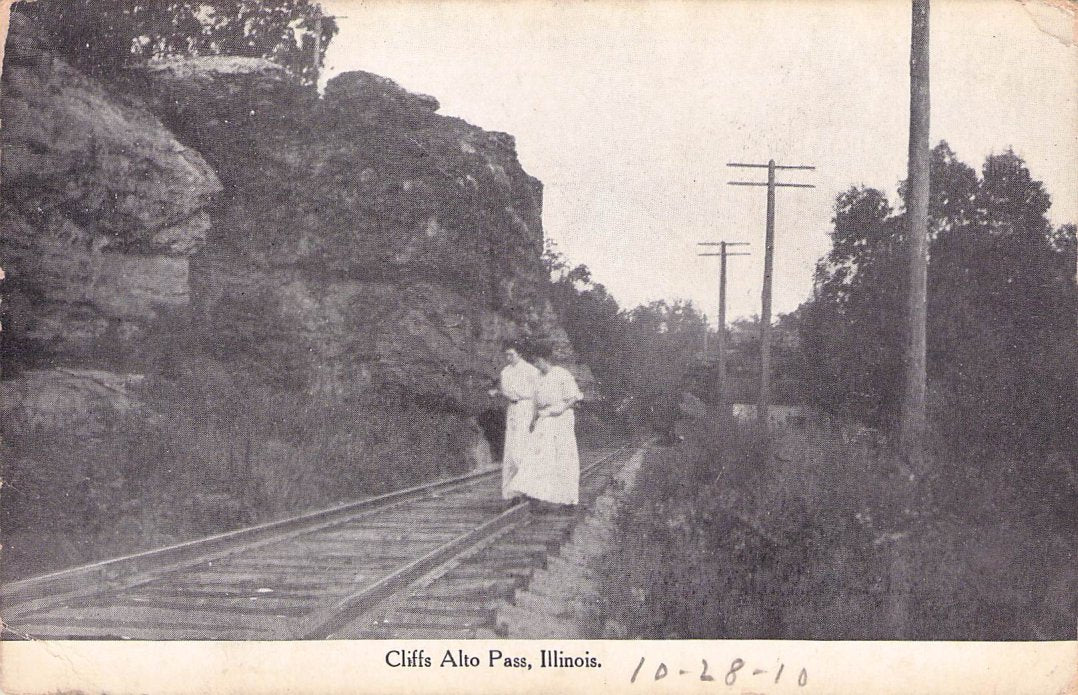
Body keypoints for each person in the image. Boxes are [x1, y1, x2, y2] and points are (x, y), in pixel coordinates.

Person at [519, 342, 583, 509]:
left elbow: (573, 397)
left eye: (537, 361)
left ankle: (567, 498)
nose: (536, 364)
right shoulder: (538, 378)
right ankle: (536, 494)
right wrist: (532, 420)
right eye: (534, 361)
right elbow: (535, 402)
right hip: (544, 417)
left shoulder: (561, 374)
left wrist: (561, 409)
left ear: (544, 359)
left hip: (561, 418)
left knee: (563, 456)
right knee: (539, 454)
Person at [488, 340, 539, 502]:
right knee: (510, 450)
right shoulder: (505, 371)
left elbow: (536, 394)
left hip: (526, 408)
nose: (508, 358)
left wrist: (535, 416)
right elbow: (507, 392)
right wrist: (498, 393)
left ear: (520, 354)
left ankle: (528, 488)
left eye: (512, 354)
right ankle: (512, 492)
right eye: (507, 355)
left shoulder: (531, 370)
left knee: (521, 448)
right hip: (512, 409)